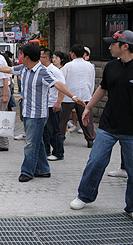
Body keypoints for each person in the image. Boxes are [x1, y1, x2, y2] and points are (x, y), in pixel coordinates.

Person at [0, 43, 84, 182]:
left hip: (37, 115)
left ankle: (27, 171)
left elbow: (58, 84)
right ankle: (43, 170)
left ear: (27, 57)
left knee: (30, 144)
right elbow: (9, 69)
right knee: (36, 143)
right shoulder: (24, 68)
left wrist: (73, 97)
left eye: (21, 55)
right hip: (27, 112)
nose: (20, 57)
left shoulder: (42, 71)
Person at [70, 30, 133, 217]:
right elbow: (103, 88)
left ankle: (131, 206)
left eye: (113, 44)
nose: (109, 47)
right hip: (108, 125)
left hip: (131, 130)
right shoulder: (111, 66)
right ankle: (84, 196)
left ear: (125, 46)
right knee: (95, 162)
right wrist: (88, 107)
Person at [59, 44, 96, 148]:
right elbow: (92, 81)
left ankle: (60, 138)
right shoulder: (90, 66)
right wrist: (90, 93)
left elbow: (62, 81)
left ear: (73, 54)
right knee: (86, 119)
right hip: (85, 95)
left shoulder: (68, 66)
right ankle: (90, 138)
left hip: (69, 96)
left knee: (63, 119)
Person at [40, 48, 66, 161]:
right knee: (44, 130)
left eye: (40, 57)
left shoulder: (55, 71)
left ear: (46, 58)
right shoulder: (42, 69)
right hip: (44, 104)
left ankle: (58, 152)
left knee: (53, 129)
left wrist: (58, 102)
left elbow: (62, 87)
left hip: (52, 103)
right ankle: (46, 150)